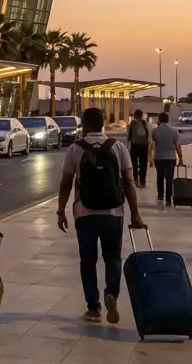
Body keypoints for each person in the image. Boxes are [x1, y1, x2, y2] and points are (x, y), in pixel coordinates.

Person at [57, 106, 144, 324]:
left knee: (87, 260)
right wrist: (135, 214)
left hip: (84, 213)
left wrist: (61, 211)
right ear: (103, 124)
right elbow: (129, 182)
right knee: (112, 257)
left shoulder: (75, 149)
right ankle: (111, 294)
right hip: (113, 213)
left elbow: (66, 182)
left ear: (85, 125)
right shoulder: (118, 147)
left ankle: (93, 308)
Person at [150, 112, 183, 205]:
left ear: (159, 120)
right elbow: (177, 145)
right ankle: (168, 197)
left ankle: (160, 195)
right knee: (169, 178)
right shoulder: (174, 131)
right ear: (167, 120)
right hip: (170, 157)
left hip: (158, 157)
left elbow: (152, 146)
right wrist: (181, 158)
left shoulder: (155, 131)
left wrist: (150, 158)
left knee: (159, 177)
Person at [126, 109, 150, 188]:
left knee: (134, 164)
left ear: (134, 116)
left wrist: (128, 143)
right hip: (144, 146)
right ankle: (143, 182)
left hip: (134, 146)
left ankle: (135, 180)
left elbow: (128, 135)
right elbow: (148, 134)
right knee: (143, 164)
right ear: (141, 115)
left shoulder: (132, 124)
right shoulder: (144, 123)